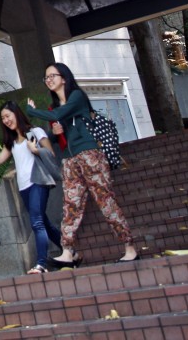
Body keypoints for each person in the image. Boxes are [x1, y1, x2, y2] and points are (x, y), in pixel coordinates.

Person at [26, 62, 138, 265]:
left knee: (105, 201)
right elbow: (58, 126)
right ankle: (68, 251)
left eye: (52, 76)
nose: (49, 80)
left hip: (89, 155)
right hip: (70, 160)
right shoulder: (55, 107)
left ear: (64, 78)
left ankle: (129, 247)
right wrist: (54, 134)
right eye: (46, 77)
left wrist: (31, 111)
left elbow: (57, 116)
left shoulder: (76, 96)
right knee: (71, 205)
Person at [0, 101, 63, 274]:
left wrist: (35, 150)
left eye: (8, 116)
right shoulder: (11, 141)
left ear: (16, 114)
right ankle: (69, 250)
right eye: (3, 118)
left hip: (38, 181)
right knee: (44, 222)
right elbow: (0, 159)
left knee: (36, 222)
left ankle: (41, 264)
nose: (5, 120)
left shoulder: (35, 132)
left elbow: (50, 154)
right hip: (24, 187)